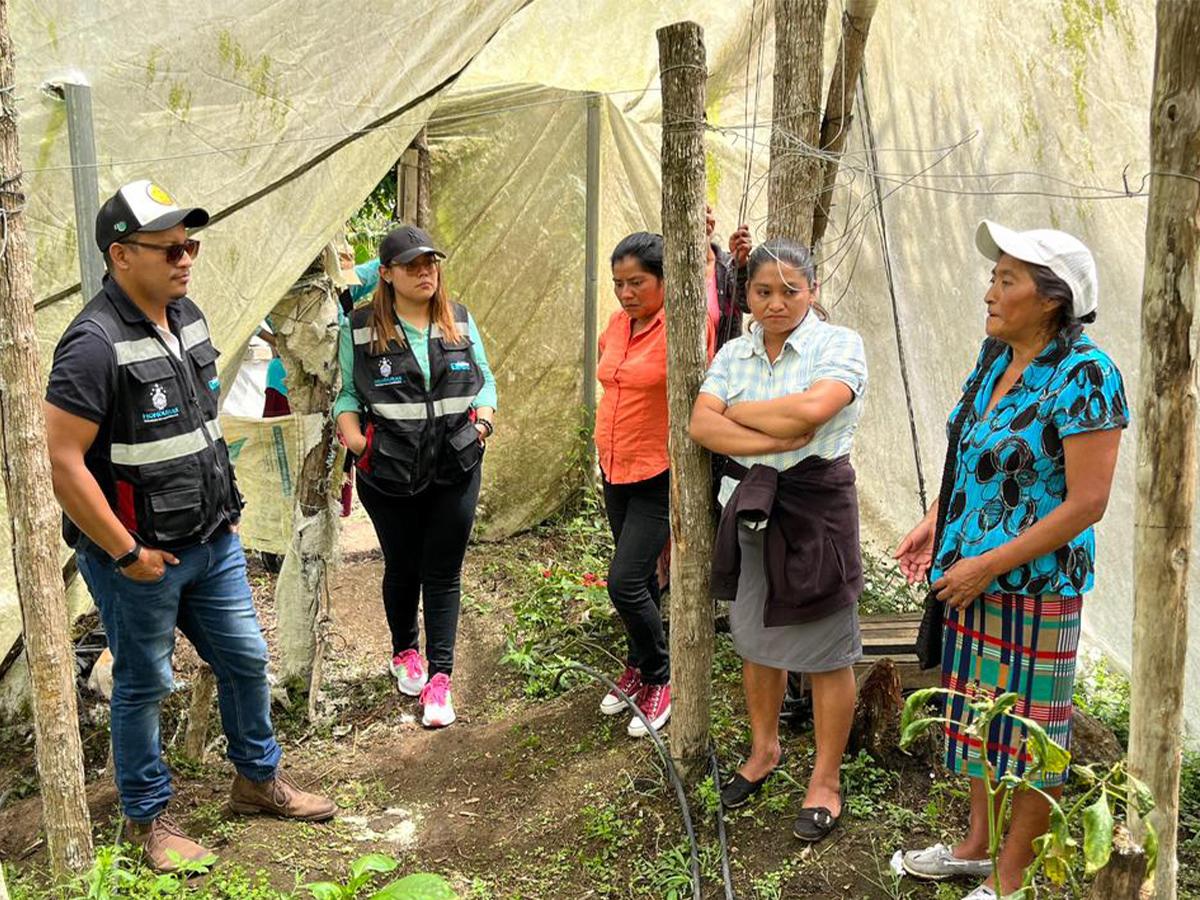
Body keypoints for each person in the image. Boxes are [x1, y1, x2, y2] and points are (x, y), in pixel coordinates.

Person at [45, 180, 335, 874]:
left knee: (245, 660)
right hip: (142, 559)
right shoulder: (92, 344)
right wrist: (126, 553)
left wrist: (225, 523)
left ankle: (256, 781)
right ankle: (149, 822)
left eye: (191, 244)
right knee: (145, 684)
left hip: (212, 541)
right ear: (121, 255)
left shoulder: (190, 318)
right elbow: (59, 461)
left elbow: (199, 430)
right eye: (170, 246)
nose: (186, 258)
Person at [895, 221, 1127, 900]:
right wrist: (938, 522)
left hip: (1034, 588)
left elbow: (1087, 503)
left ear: (1052, 297)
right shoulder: (997, 357)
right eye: (992, 276)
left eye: (1006, 279)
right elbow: (975, 453)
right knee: (977, 717)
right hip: (972, 578)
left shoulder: (1088, 375)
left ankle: (1009, 876)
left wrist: (990, 563)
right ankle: (973, 847)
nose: (989, 292)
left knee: (1032, 732)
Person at [689, 238, 867, 843]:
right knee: (754, 636)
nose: (777, 302)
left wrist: (742, 422)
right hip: (748, 507)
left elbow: (815, 411)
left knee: (828, 649)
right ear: (749, 295)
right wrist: (777, 437)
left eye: (791, 290)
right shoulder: (734, 353)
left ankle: (825, 779)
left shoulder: (837, 343)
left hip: (816, 508)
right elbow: (699, 424)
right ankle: (765, 751)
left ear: (812, 290)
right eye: (763, 291)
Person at [333, 224, 497, 729]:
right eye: (411, 265)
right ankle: (405, 650)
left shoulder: (459, 321)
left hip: (457, 465)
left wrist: (484, 424)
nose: (425, 272)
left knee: (443, 570)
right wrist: (358, 440)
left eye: (431, 263)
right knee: (403, 565)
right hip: (388, 471)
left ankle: (440, 677)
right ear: (386, 274)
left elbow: (485, 379)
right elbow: (347, 394)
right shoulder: (359, 329)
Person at [595, 232, 715, 738]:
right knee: (638, 581)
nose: (626, 293)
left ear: (665, 281)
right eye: (619, 283)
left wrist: (708, 250)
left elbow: (710, 302)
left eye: (637, 282)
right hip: (614, 466)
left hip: (656, 472)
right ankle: (639, 667)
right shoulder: (618, 325)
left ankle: (662, 676)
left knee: (623, 581)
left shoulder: (686, 327)